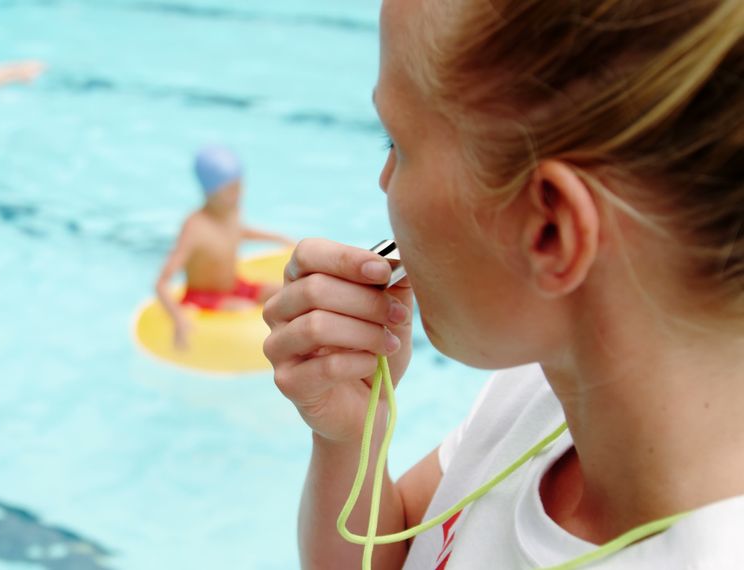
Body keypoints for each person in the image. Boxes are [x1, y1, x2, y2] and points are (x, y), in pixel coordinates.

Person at [263, 0, 744, 568]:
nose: (384, 181)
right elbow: (388, 555)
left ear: (550, 231)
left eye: (396, 144)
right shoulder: (557, 387)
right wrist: (350, 440)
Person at [155, 146, 294, 349]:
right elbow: (161, 284)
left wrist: (278, 238)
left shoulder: (231, 211)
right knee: (246, 312)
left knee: (286, 292)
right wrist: (178, 318)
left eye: (240, 186)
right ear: (209, 192)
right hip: (204, 299)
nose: (239, 193)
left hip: (236, 286)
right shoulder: (195, 228)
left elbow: (239, 231)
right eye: (231, 189)